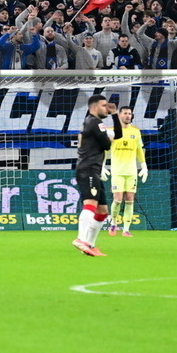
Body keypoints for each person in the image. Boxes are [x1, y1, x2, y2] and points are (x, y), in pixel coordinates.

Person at [73, 95, 123, 257]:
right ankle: (81, 239)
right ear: (94, 108)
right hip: (88, 169)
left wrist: (115, 114)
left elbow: (118, 136)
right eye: (103, 106)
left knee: (102, 211)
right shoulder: (95, 122)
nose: (106, 108)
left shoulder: (93, 123)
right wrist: (108, 136)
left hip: (94, 170)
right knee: (90, 204)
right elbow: (108, 144)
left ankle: (90, 245)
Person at [104, 106, 147, 238]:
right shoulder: (111, 132)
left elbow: (139, 149)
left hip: (131, 171)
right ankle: (113, 223)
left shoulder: (136, 132)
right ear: (119, 116)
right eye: (125, 113)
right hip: (117, 171)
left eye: (130, 114)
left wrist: (144, 165)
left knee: (130, 199)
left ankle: (126, 229)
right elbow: (105, 149)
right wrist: (102, 165)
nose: (128, 116)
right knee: (117, 199)